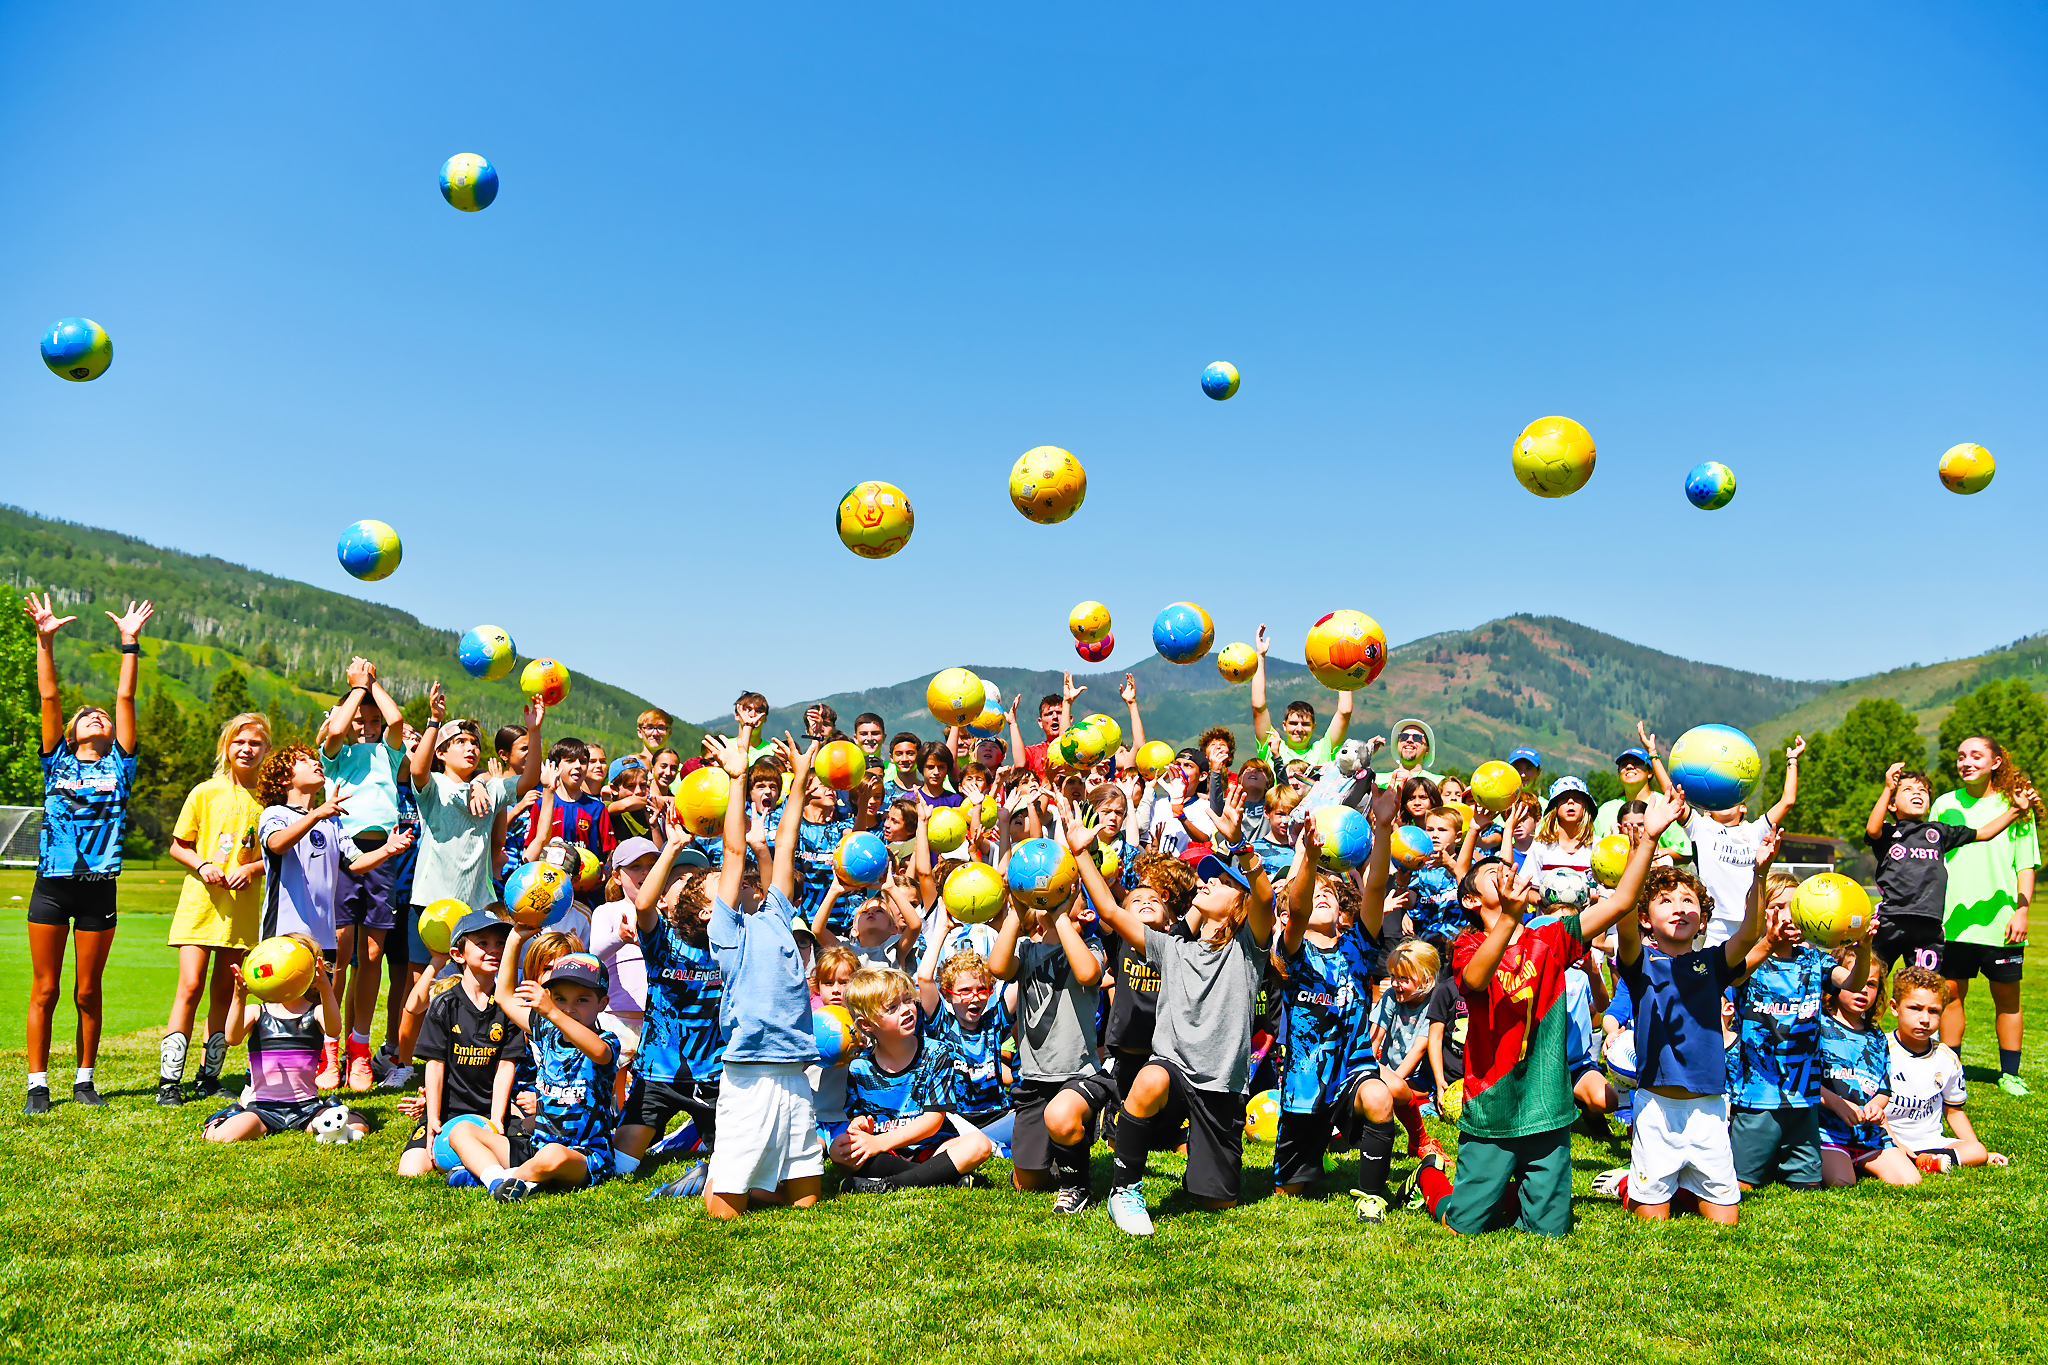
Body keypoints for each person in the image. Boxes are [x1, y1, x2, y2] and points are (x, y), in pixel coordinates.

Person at [1404, 793, 1680, 1237]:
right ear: (1473, 902)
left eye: (1510, 869)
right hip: (1492, 1105)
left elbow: (1621, 902)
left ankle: (1504, 1193)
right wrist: (1511, 918)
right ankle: (1430, 1178)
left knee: (1550, 1233)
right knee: (1463, 1227)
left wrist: (1648, 838)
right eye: (1495, 873)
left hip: (1547, 1106)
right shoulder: (1468, 945)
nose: (1508, 873)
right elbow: (1475, 980)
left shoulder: (1550, 937)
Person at [1081, 786, 1274, 1236]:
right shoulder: (1169, 948)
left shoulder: (1249, 949)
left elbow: (1264, 901)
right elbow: (1109, 909)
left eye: (1219, 880)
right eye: (1206, 877)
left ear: (1237, 904)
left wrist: (1243, 849)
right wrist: (1083, 853)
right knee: (1150, 1077)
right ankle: (1124, 1190)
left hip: (1221, 1085)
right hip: (1173, 1073)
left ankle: (1201, 1165)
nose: (1204, 881)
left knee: (1217, 1200)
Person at [1596, 818, 1774, 1225]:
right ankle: (1630, 1183)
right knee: (1652, 1220)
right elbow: (1622, 914)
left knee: (1725, 1221)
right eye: (1665, 901)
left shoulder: (1710, 962)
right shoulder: (1640, 962)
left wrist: (1759, 873)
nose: (1679, 907)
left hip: (1709, 1110)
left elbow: (1749, 933)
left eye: (1688, 901)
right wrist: (1645, 845)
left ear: (1703, 917)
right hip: (1656, 1109)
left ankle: (1684, 1185)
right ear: (1645, 919)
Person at [22, 593, 151, 1115]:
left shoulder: (122, 765)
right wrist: (44, 641)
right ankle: (37, 1084)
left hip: (101, 888)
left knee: (87, 991)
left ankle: (84, 1079)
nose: (97, 717)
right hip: (52, 884)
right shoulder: (55, 760)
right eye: (87, 716)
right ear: (72, 733)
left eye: (101, 716)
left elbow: (124, 700)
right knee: (46, 989)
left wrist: (129, 644)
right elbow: (50, 700)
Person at [699, 726, 825, 1219]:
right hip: (749, 1073)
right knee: (725, 1211)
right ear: (707, 911)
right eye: (716, 886)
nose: (733, 878)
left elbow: (787, 846)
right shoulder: (727, 933)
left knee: (807, 1201)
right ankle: (717, 1180)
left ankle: (728, 1178)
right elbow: (733, 852)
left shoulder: (775, 914)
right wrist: (738, 777)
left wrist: (798, 781)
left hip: (794, 1069)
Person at [258, 743, 414, 1089]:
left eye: (315, 760)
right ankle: (266, 1087)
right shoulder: (275, 814)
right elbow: (277, 844)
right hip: (283, 934)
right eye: (304, 761)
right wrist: (314, 816)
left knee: (313, 1014)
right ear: (285, 777)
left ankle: (304, 1087)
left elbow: (355, 863)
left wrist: (388, 849)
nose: (316, 763)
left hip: (323, 939)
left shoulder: (332, 823)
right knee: (277, 1014)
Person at [447, 928, 620, 1201]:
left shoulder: (605, 1040)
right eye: (560, 998)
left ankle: (506, 1176)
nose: (569, 1007)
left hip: (583, 1156)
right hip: (536, 1146)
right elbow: (503, 996)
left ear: (602, 1003)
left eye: (582, 1000)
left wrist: (551, 1010)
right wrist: (516, 937)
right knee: (462, 1130)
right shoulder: (546, 1030)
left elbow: (599, 1053)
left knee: (553, 1156)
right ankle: (496, 1181)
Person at [1728, 871, 1871, 1193]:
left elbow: (1851, 984)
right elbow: (1734, 977)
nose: (1790, 915)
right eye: (1779, 906)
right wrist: (1768, 942)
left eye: (1798, 907)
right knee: (1744, 1184)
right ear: (1762, 911)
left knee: (1807, 1185)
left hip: (1804, 1099)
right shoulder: (1750, 957)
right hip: (1756, 1097)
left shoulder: (1814, 959)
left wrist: (1863, 950)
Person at [158, 710, 272, 1106]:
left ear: (266, 750)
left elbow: (276, 852)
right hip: (200, 906)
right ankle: (169, 1081)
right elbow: (178, 844)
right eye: (239, 742)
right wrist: (203, 865)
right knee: (189, 987)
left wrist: (253, 868)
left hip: (240, 911)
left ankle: (209, 1076)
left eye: (254, 743)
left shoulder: (268, 801)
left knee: (225, 990)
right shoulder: (204, 792)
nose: (246, 749)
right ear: (227, 747)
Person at [987, 863, 1112, 1212]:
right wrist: (1016, 912)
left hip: (1080, 1075)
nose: (1050, 902)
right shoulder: (1027, 951)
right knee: (1029, 1182)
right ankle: (1056, 1156)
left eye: (1061, 897)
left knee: (1062, 1116)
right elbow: (998, 968)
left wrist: (1060, 917)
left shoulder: (1092, 947)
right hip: (1036, 1079)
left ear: (1082, 912)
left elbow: (1087, 974)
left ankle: (1077, 1185)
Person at [317, 657, 409, 1092]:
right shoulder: (334, 755)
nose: (366, 725)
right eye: (359, 719)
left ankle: (359, 1047)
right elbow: (335, 731)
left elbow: (396, 720)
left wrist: (372, 685)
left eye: (371, 719)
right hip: (339, 852)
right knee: (338, 950)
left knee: (371, 957)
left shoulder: (389, 754)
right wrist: (356, 692)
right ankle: (329, 1045)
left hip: (382, 853)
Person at [614, 825, 725, 1177]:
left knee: (732, 1162)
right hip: (657, 1074)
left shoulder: (727, 940)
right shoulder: (661, 939)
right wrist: (673, 846)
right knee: (621, 1165)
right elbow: (642, 903)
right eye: (679, 879)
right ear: (663, 898)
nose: (689, 882)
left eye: (697, 878)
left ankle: (692, 1138)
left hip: (715, 1075)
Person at [1932, 735, 2039, 1096]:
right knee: (1950, 997)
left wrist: (2022, 910)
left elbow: (2025, 865)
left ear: (1995, 762)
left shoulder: (2015, 807)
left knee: (2007, 1000)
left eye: (1976, 755)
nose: (1966, 762)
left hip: (2001, 923)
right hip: (1951, 920)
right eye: (1961, 756)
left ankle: (2010, 1074)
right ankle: (1952, 1069)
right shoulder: (1944, 804)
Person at [833, 965, 992, 1192]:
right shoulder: (859, 1067)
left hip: (934, 1148)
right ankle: (939, 1177)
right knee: (838, 1151)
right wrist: (860, 1127)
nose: (906, 1009)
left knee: (979, 1145)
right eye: (892, 1007)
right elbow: (857, 1119)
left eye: (908, 1000)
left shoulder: (937, 1053)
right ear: (867, 1025)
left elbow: (932, 1121)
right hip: (887, 1152)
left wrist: (878, 1142)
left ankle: (889, 1185)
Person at [1866, 762, 2030, 973]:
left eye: (1923, 790)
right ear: (1892, 805)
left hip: (1929, 925)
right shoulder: (1888, 833)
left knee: (1923, 986)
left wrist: (2016, 810)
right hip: (1890, 920)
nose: (1918, 793)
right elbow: (1872, 828)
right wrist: (1888, 787)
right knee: (1870, 979)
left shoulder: (1939, 832)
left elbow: (1984, 833)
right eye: (1907, 789)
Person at [202, 935, 368, 1143]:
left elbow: (334, 1029)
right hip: (261, 1107)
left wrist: (326, 988)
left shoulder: (315, 1012)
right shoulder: (256, 1011)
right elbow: (232, 1038)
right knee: (222, 1137)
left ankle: (331, 1106)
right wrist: (239, 997)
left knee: (357, 1126)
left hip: (307, 1108)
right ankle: (229, 1115)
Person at [398, 909, 525, 1177]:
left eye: (500, 943)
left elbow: (505, 1067)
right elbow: (435, 1065)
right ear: (458, 955)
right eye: (483, 943)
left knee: (520, 1159)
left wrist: (496, 1120)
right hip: (448, 1110)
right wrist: (433, 1119)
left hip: (492, 1111)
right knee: (411, 1169)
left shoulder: (508, 1005)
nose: (494, 950)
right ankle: (469, 1165)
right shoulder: (445, 1005)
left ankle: (472, 1169)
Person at [408, 683, 544, 921]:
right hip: (430, 900)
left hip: (477, 903)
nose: (470, 747)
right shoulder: (435, 785)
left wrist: (534, 732)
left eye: (475, 744)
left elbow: (529, 778)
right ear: (440, 753)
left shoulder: (492, 787)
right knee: (426, 961)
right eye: (460, 742)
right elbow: (418, 769)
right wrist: (434, 721)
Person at [1674, 736, 1804, 946]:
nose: (1725, 802)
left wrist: (1792, 759)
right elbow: (1674, 796)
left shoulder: (1756, 830)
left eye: (1731, 798)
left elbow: (1788, 801)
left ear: (1743, 807)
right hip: (1712, 927)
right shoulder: (1703, 827)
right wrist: (1654, 756)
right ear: (1708, 809)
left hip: (1751, 924)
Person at [1816, 944, 1919, 1188]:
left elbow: (1884, 1089)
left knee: (1911, 1181)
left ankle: (1858, 1161)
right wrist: (1837, 1104)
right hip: (1826, 1132)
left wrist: (1875, 1107)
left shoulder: (1876, 1037)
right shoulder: (1816, 1025)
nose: (1862, 989)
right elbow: (1803, 1081)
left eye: (1871, 984)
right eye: (1856, 980)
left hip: (1868, 1136)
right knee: (1842, 1183)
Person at [1888, 965, 2005, 1171]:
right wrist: (1897, 1144)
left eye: (1933, 1011)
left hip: (1932, 1143)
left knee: (1976, 1151)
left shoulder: (1946, 1057)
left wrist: (1979, 1150)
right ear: (1895, 1007)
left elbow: (1954, 1110)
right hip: (1887, 1139)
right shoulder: (1880, 1049)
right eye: (1915, 1008)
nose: (1925, 1019)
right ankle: (1917, 1159)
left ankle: (1923, 1159)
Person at [1251, 623, 1352, 770]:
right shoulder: (1272, 746)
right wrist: (1260, 656)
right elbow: (1258, 707)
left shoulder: (1323, 749)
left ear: (1314, 727)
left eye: (1305, 724)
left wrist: (1343, 663)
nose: (1299, 729)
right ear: (1284, 725)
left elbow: (1345, 711)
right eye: (1293, 723)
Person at [1592, 724, 1692, 867]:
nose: (1629, 767)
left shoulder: (1664, 804)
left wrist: (1645, 852)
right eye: (1624, 764)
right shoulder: (1605, 810)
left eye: (1637, 764)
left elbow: (1685, 853)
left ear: (1650, 773)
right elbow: (1595, 851)